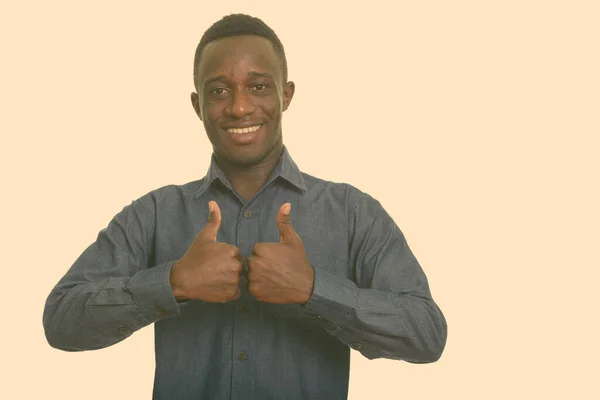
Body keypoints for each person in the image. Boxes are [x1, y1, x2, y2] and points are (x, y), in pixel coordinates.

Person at [43, 13, 447, 400]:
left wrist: (313, 289)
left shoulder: (352, 212)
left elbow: (426, 333)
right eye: (219, 91)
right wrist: (173, 282)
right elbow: (60, 320)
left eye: (258, 86)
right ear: (197, 104)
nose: (239, 107)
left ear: (285, 95)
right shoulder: (152, 214)